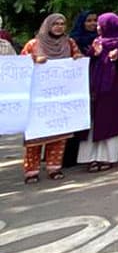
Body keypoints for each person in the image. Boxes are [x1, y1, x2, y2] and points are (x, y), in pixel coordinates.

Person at [20, 14, 82, 183]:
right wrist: (34, 61)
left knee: (58, 134)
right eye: (55, 24)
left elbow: (78, 62)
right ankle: (31, 171)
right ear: (47, 25)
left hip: (60, 97)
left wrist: (78, 59)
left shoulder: (69, 43)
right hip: (37, 99)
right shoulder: (34, 44)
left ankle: (54, 168)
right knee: (35, 136)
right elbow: (20, 67)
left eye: (62, 24)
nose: (59, 27)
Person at [79, 13, 118, 172]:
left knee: (108, 121)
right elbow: (88, 62)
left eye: (100, 24)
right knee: (93, 122)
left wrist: (116, 59)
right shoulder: (97, 41)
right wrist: (93, 53)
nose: (97, 27)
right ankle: (90, 157)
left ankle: (107, 157)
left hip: (113, 89)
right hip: (95, 88)